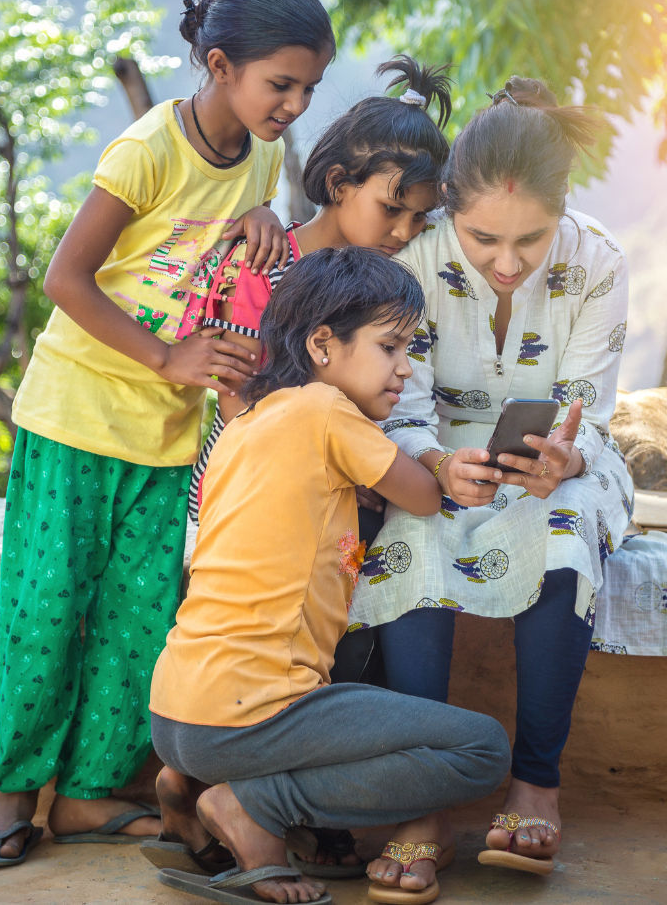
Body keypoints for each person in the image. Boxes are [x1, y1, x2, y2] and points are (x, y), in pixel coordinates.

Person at [0, 0, 335, 866]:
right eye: (280, 85)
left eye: (308, 90)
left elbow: (243, 237)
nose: (294, 106)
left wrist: (262, 211)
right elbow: (66, 279)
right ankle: (13, 788)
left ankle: (91, 794)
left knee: (140, 620)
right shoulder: (146, 150)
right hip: (75, 417)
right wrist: (167, 358)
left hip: (168, 434)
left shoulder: (257, 155)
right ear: (220, 66)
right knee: (48, 609)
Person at [147, 247, 511, 905]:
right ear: (322, 343)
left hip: (177, 709)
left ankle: (188, 781)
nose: (405, 368)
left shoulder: (245, 424)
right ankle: (253, 806)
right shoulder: (323, 410)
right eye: (390, 346)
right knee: (482, 747)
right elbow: (424, 495)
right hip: (255, 710)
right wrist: (449, 462)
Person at [347, 78, 634, 875]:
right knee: (413, 522)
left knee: (568, 520)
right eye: (481, 239)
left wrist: (565, 457)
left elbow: (590, 408)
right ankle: (421, 799)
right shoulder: (414, 256)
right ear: (449, 209)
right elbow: (399, 401)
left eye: (531, 241)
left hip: (561, 462)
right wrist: (438, 462)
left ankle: (536, 783)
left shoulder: (600, 260)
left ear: (564, 207)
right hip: (434, 446)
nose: (506, 263)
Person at [187, 54, 451, 524]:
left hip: (341, 483)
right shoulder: (262, 264)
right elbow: (237, 403)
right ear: (338, 183)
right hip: (248, 491)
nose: (405, 231)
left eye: (418, 219)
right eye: (391, 209)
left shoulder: (384, 286)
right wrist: (339, 464)